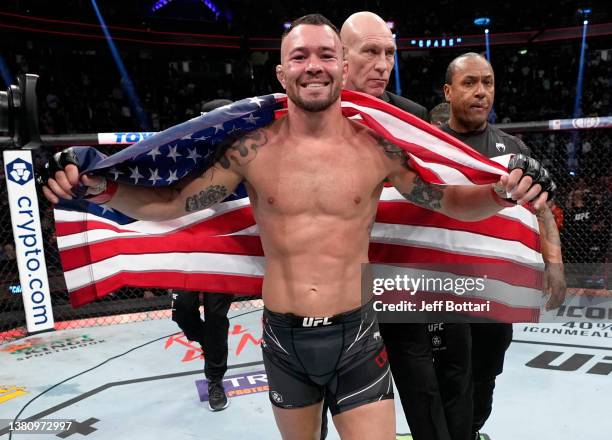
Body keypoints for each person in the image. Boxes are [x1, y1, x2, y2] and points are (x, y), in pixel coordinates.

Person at [42, 16, 553, 440]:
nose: (315, 66)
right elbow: (172, 205)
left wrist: (502, 193)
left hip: (356, 333)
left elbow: (446, 202)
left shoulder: (377, 148)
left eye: (326, 55)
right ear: (284, 71)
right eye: (302, 56)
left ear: (341, 66)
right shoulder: (252, 148)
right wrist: (99, 189)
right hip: (284, 338)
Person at [342, 12, 470, 440]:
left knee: (422, 388)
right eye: (370, 52)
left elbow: (438, 190)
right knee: (337, 398)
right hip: (336, 284)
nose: (382, 64)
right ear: (342, 57)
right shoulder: (314, 114)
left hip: (397, 278)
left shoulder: (411, 115)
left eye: (389, 53)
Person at [440, 52, 566, 440]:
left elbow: (541, 209)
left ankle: (471, 430)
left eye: (488, 82)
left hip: (493, 286)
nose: (481, 92)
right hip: (440, 287)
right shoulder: (431, 144)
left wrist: (554, 265)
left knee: (485, 371)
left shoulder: (514, 150)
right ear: (448, 91)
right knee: (440, 374)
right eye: (470, 83)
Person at [171, 290, 233, 411]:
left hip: (219, 272)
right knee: (182, 310)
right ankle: (210, 343)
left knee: (215, 319)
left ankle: (215, 381)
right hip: (189, 271)